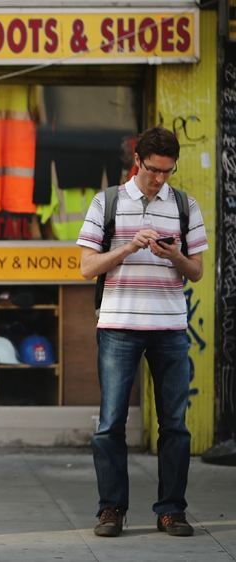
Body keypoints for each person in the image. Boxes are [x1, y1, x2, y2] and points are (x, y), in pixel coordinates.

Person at [77, 126, 207, 538]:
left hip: (170, 328)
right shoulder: (107, 202)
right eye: (153, 170)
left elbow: (197, 272)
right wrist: (129, 246)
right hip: (118, 326)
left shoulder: (186, 205)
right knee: (110, 424)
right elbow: (86, 268)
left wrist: (175, 256)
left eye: (168, 171)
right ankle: (111, 509)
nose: (160, 179)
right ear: (138, 160)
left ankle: (172, 510)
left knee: (175, 425)